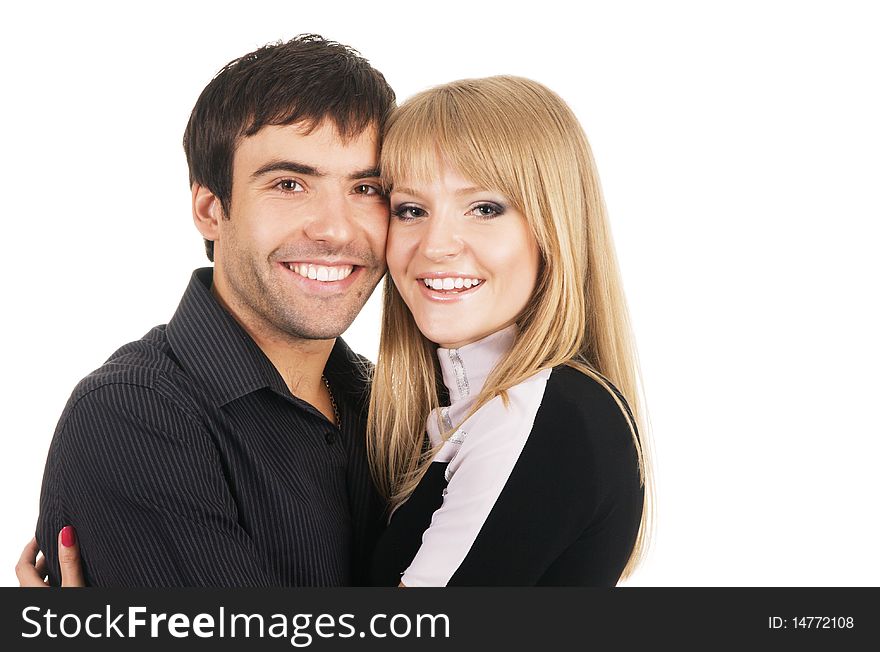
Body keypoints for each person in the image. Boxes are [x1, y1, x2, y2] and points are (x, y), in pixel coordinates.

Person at [17, 34, 396, 586]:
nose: (335, 228)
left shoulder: (391, 402)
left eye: (366, 188)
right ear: (210, 209)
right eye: (289, 184)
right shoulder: (132, 415)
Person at [366, 76, 653, 585]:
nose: (436, 246)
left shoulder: (528, 413)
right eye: (411, 210)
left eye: (484, 209)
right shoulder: (470, 408)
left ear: (553, 228)